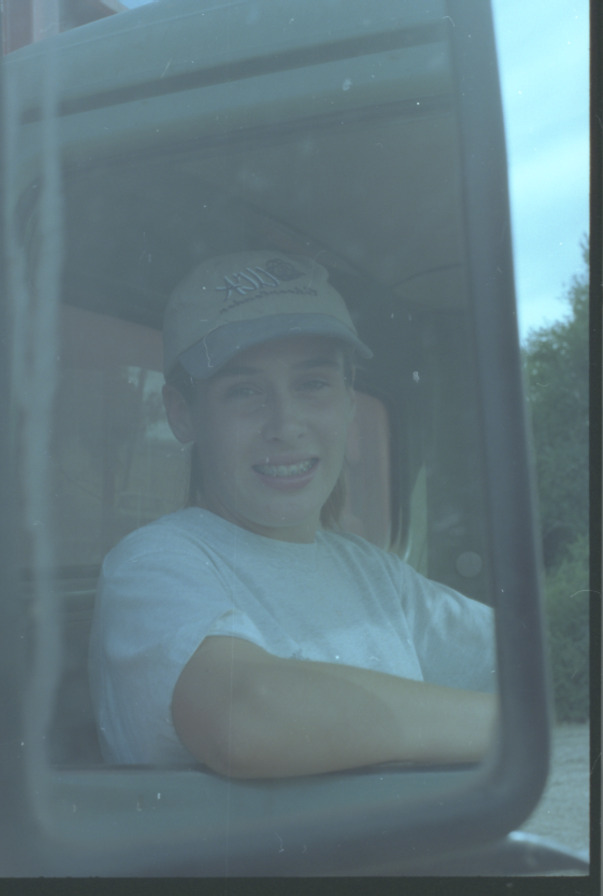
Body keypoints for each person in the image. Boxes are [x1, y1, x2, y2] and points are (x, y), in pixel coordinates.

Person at [88, 250, 497, 777]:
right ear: (182, 413)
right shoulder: (153, 564)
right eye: (244, 391)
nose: (285, 424)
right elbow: (246, 714)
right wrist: (513, 725)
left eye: (313, 384)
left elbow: (517, 655)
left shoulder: (372, 571)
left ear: (349, 401)